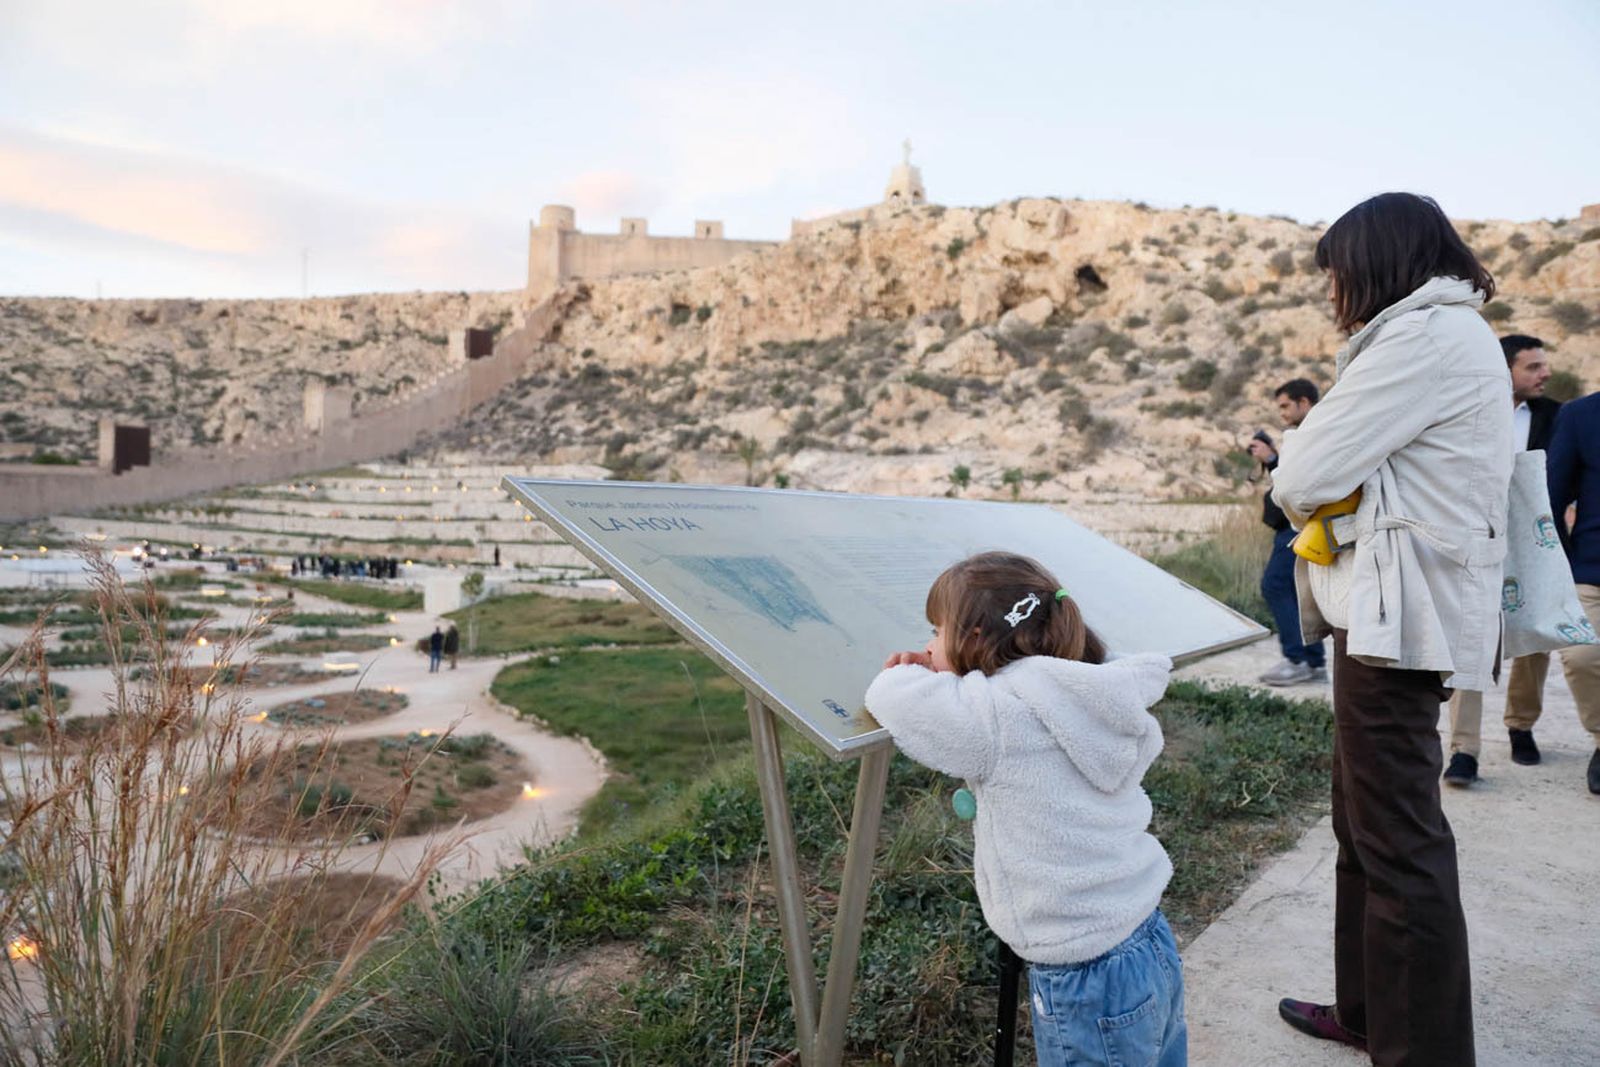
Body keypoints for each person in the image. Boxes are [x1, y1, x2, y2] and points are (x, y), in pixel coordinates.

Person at [1269, 192, 1510, 1066]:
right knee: (1367, 828)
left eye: (1340, 272)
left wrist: (1303, 473)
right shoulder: (1446, 335)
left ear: (1379, 261)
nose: (1336, 292)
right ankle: (1370, 1007)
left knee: (1400, 843)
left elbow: (1303, 469)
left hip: (1395, 625)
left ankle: (1422, 1050)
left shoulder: (1423, 339)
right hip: (1389, 617)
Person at [865, 551, 1185, 1067]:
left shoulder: (996, 714)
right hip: (1147, 937)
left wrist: (910, 667)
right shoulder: (1085, 686)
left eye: (935, 629)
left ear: (971, 638)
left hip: (1082, 971)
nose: (929, 643)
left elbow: (893, 696)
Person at [1443, 334, 1563, 786]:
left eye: (1543, 365)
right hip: (1475, 539)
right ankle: (1463, 749)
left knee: (1533, 641)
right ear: (1504, 369)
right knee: (1470, 640)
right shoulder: (1469, 411)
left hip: (1534, 542)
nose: (1544, 374)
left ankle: (1521, 725)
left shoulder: (1557, 416)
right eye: (1532, 367)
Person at [1246, 379, 1327, 686]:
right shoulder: (1311, 432)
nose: (1281, 413)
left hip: (1296, 527)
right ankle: (1313, 661)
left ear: (1303, 402)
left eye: (1285, 406)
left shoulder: (1313, 432)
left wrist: (1273, 460)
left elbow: (1302, 475)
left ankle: (1298, 659)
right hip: (1298, 524)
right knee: (1295, 590)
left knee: (1276, 585)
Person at [1543, 388, 1600, 794]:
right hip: (1590, 567)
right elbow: (1553, 495)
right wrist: (1561, 563)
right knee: (1581, 657)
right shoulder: (1580, 416)